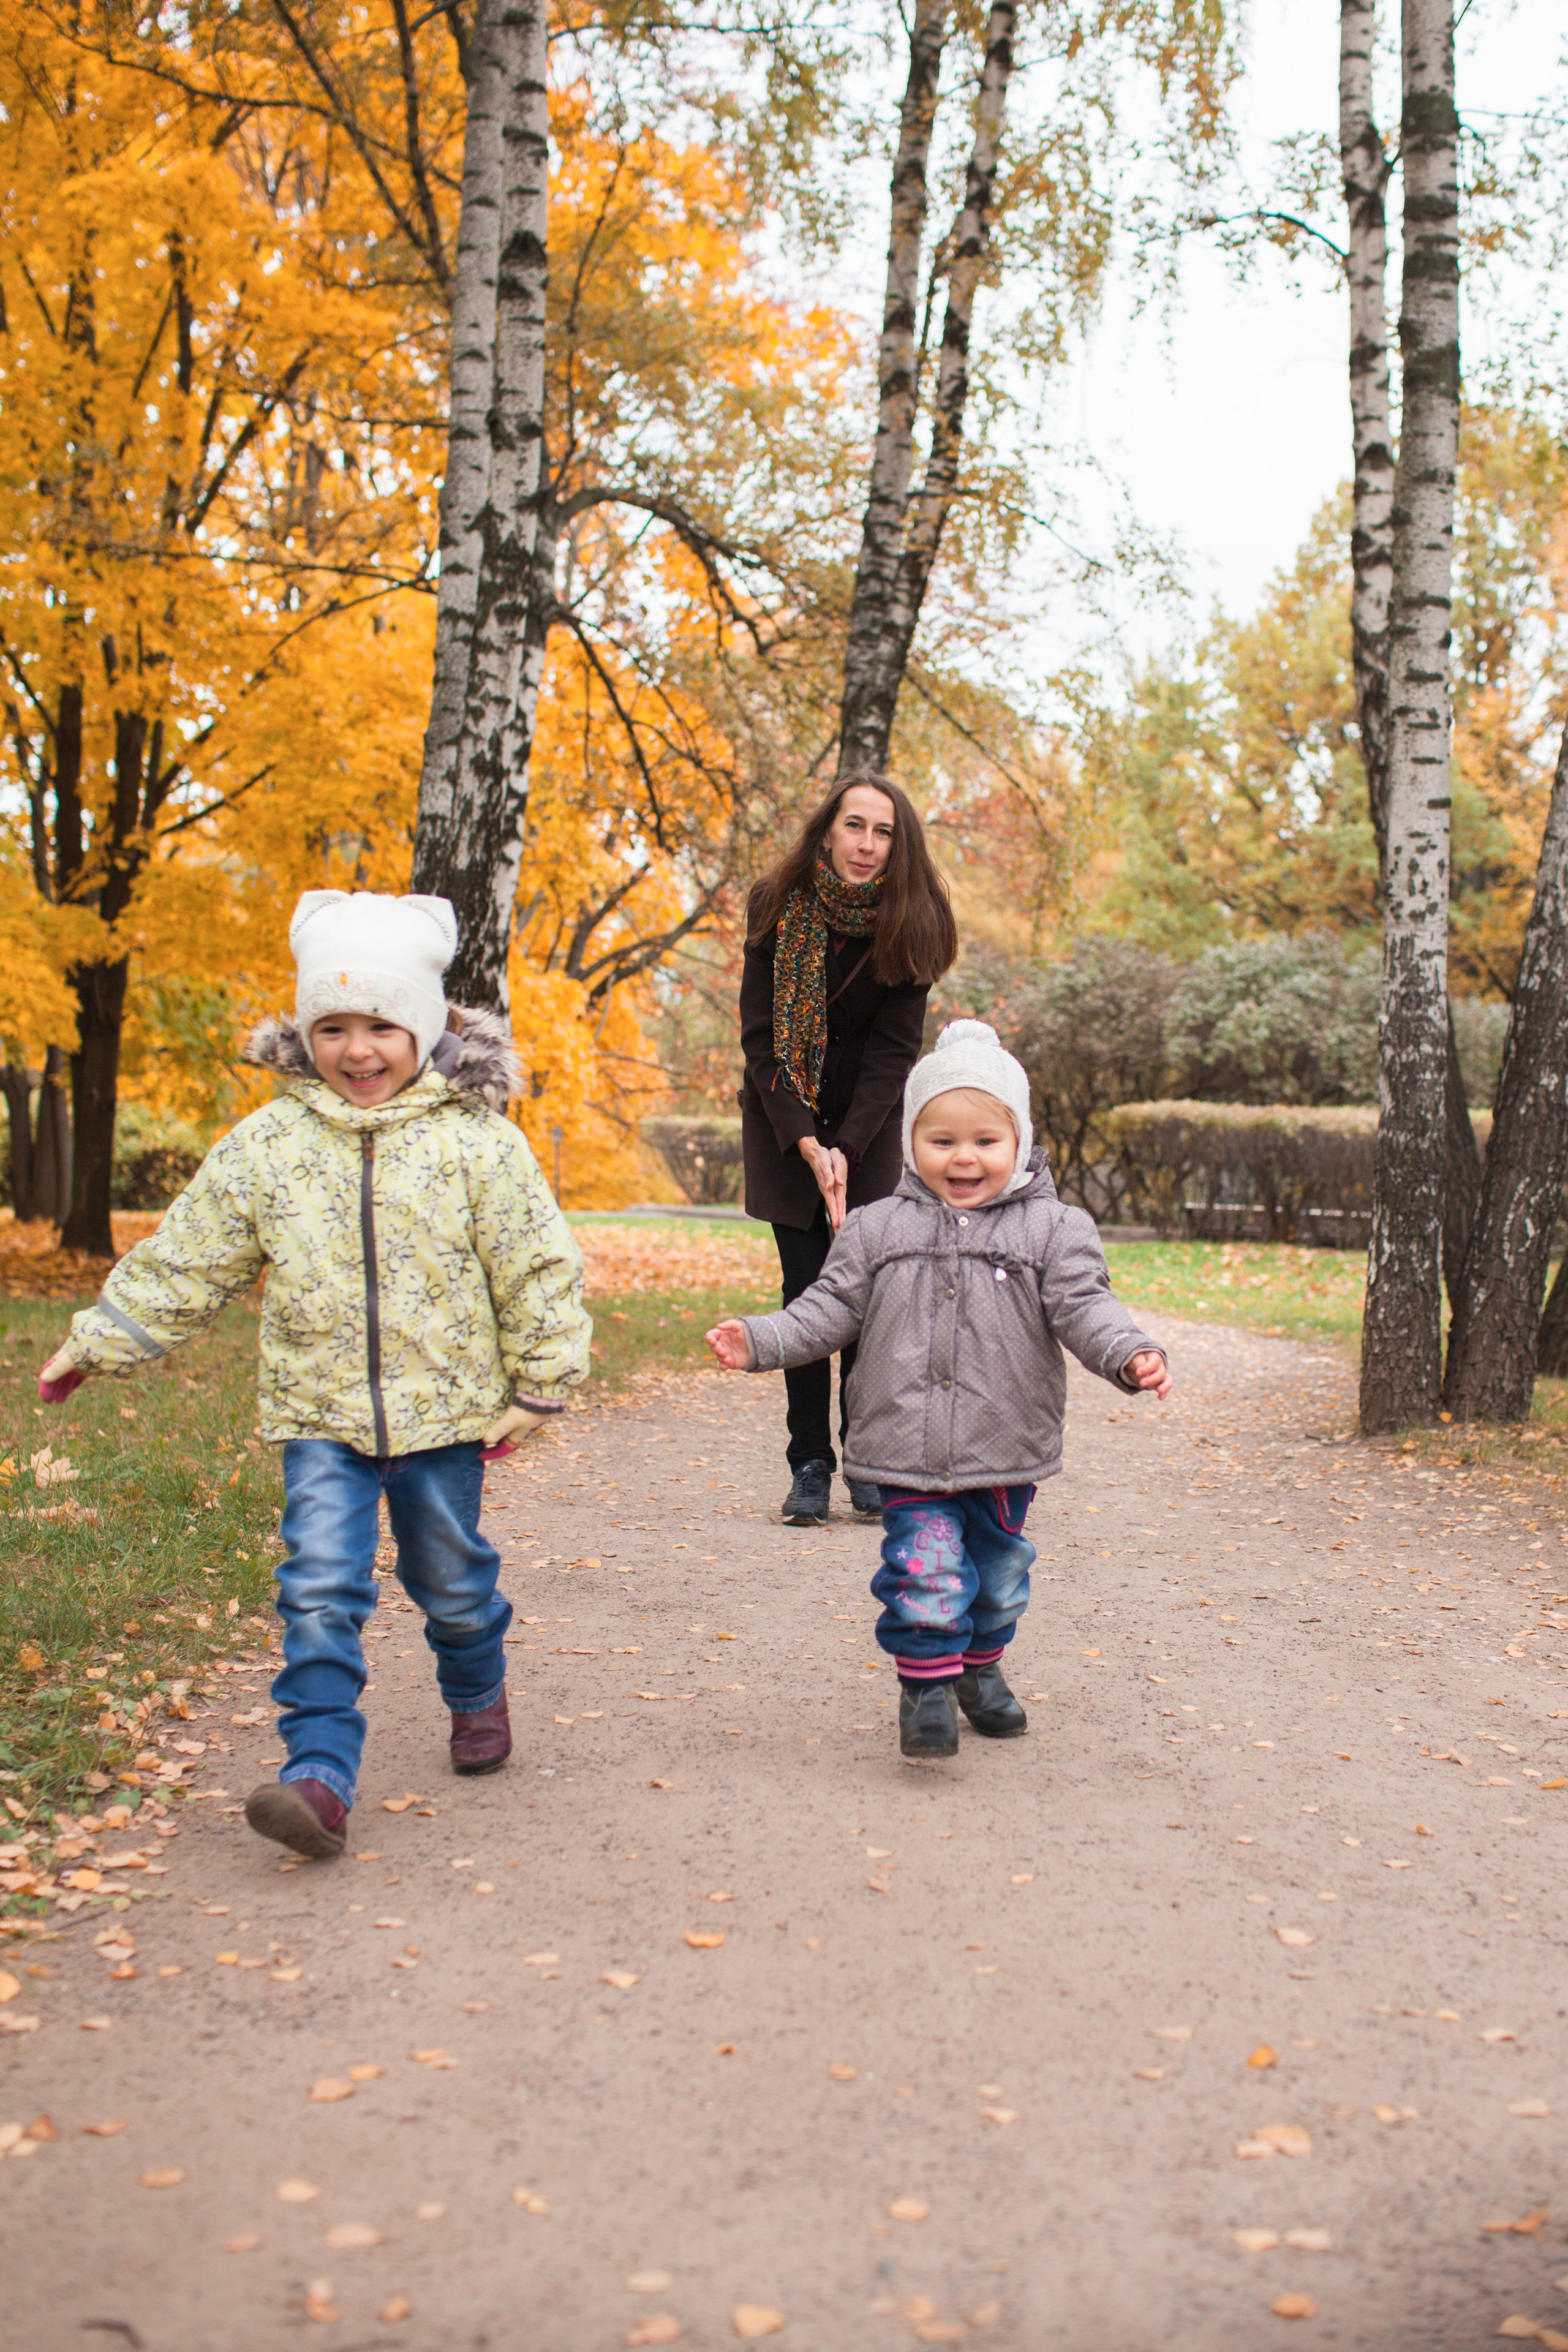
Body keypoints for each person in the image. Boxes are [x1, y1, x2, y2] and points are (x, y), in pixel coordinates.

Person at [36, 890, 590, 1859]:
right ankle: (319, 1776)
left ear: (421, 1027)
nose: (357, 1050)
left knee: (450, 1581)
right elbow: (193, 1253)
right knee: (319, 1588)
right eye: (332, 1028)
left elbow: (535, 1263)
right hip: (318, 1416)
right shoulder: (270, 1146)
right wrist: (102, 1338)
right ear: (305, 1035)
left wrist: (541, 1381)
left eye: (381, 1025)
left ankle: (476, 1688)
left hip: (444, 1416)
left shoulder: (477, 1143)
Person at [707, 1019, 1170, 1760]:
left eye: (985, 1140)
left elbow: (1087, 1308)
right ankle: (924, 1687)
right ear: (909, 1143)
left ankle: (979, 1667)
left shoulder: (1054, 1231)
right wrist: (760, 1340)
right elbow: (826, 1310)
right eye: (942, 1139)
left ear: (1018, 1141)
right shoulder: (875, 1228)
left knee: (996, 1579)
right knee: (923, 1568)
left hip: (1005, 1446)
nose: (963, 1157)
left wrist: (1129, 1354)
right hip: (905, 1444)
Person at [740, 772, 957, 1528]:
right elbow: (761, 1040)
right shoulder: (775, 905)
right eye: (854, 826)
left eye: (883, 832)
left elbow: (894, 1053)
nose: (866, 845)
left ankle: (866, 1456)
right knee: (806, 1294)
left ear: (899, 844)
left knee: (867, 1295)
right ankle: (809, 1463)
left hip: (868, 1128)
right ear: (828, 831)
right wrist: (806, 1142)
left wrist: (848, 1149)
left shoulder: (916, 920)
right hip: (783, 1122)